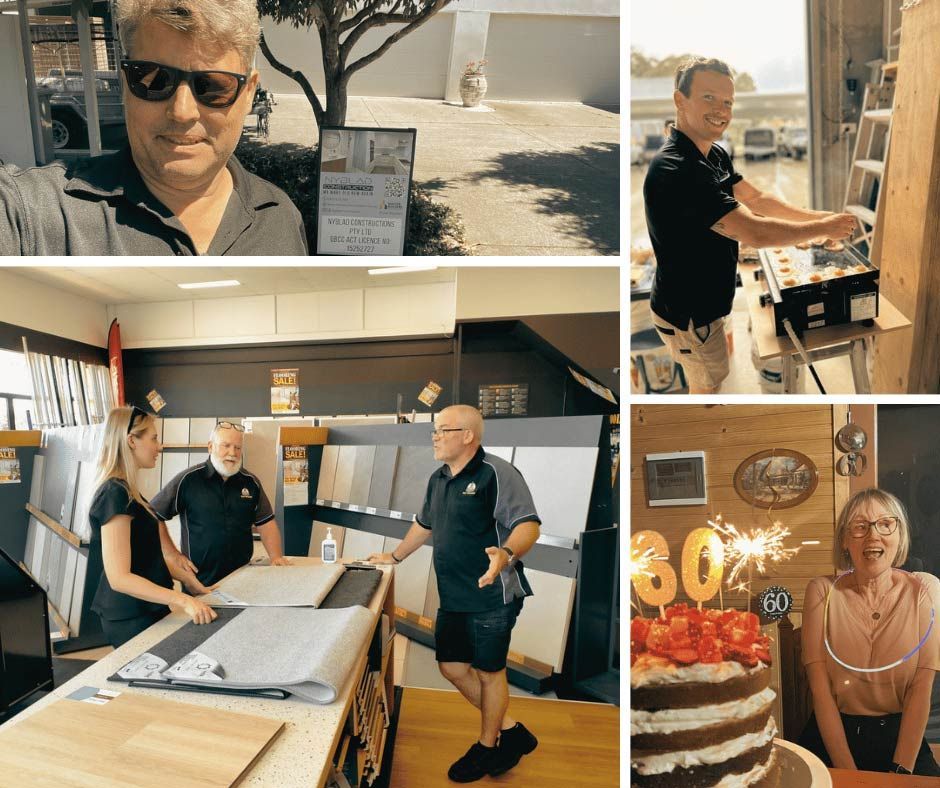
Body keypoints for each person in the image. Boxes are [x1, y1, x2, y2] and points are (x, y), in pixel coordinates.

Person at [0, 0, 306, 255]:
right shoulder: (32, 214)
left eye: (212, 86)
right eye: (154, 79)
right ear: (124, 84)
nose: (182, 112)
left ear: (249, 93)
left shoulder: (281, 217)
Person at [643, 56, 857, 394]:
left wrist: (820, 218)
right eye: (709, 97)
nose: (721, 110)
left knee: (719, 371)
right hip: (688, 314)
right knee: (707, 389)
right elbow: (753, 231)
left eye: (728, 101)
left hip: (709, 305)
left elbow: (758, 201)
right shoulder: (678, 168)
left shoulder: (713, 155)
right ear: (679, 100)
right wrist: (823, 230)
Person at [367, 405, 542, 783]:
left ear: (468, 435)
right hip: (455, 596)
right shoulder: (439, 478)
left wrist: (506, 555)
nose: (434, 436)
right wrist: (394, 555)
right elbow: (423, 524)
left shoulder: (498, 473)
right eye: (434, 430)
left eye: (443, 429)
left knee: (489, 673)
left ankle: (487, 746)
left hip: (492, 596)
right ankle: (511, 731)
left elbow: (528, 525)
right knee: (451, 667)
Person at [798, 488, 940, 776]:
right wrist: (850, 773)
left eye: (886, 524)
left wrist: (901, 770)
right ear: (844, 541)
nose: (873, 536)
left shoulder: (926, 589)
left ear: (900, 536)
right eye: (860, 527)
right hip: (832, 733)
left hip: (902, 735)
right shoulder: (821, 591)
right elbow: (820, 690)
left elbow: (921, 688)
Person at [88, 405, 217, 648]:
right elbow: (119, 578)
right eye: (154, 438)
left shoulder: (128, 491)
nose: (160, 446)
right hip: (129, 615)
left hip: (146, 608)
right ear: (131, 441)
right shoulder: (113, 494)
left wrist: (189, 581)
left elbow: (146, 555)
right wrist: (183, 601)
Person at [151, 420, 290, 587]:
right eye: (226, 445)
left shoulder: (251, 482)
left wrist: (276, 558)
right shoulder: (188, 480)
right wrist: (173, 554)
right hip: (200, 582)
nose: (232, 453)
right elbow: (153, 514)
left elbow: (266, 522)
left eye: (237, 448)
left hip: (243, 577)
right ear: (211, 447)